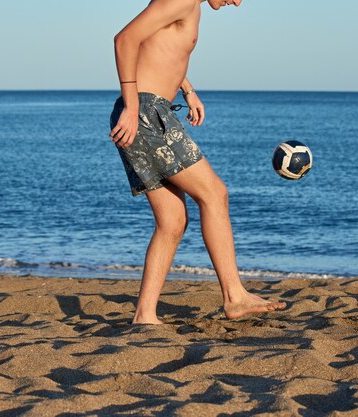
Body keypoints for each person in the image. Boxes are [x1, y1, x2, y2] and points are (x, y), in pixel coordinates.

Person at [109, 0, 287, 324]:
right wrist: (132, 107)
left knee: (173, 221)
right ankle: (235, 297)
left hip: (152, 111)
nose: (237, 1)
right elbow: (125, 40)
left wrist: (188, 89)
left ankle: (144, 315)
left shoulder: (191, 6)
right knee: (214, 194)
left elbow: (162, 50)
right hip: (148, 114)